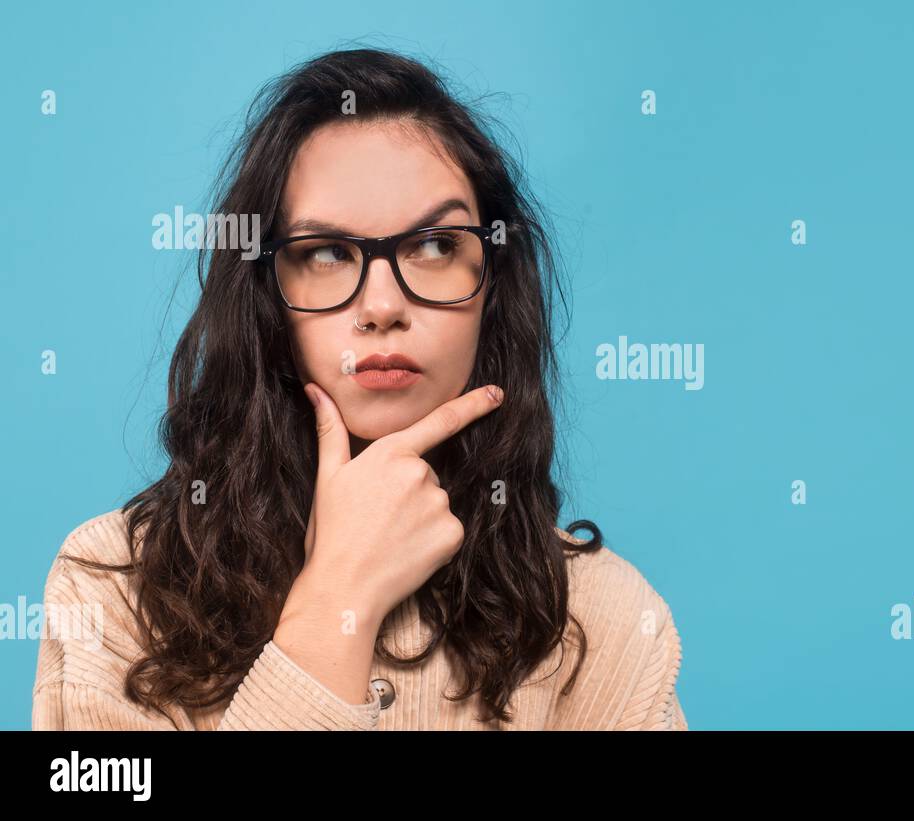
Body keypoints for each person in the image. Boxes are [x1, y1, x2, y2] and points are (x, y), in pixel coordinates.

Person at [30, 48, 685, 731]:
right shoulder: (110, 588)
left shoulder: (607, 620)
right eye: (326, 252)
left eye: (434, 245)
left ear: (494, 286)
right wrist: (334, 601)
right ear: (266, 298)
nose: (381, 305)